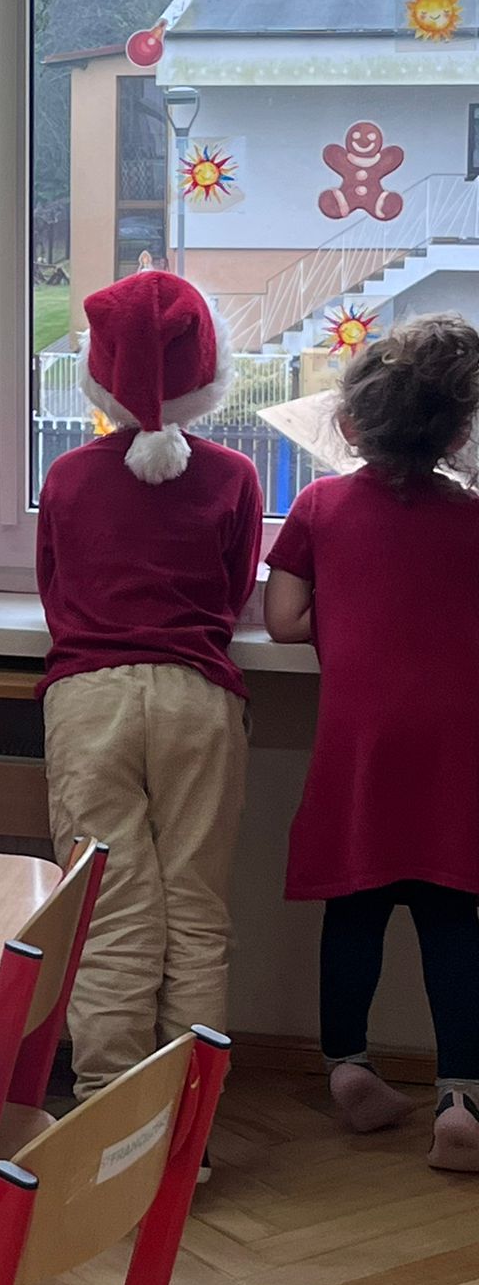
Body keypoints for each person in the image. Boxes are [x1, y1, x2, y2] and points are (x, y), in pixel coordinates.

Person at [37, 270, 261, 1101]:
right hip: (198, 700)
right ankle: (187, 1130)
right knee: (197, 916)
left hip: (89, 700)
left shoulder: (65, 478)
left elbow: (56, 594)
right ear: (211, 370)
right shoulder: (236, 477)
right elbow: (231, 595)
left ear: (100, 372)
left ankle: (109, 1119)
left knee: (109, 917)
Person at [265, 314, 479, 1172]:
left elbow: (283, 622)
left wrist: (350, 610)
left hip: (360, 749)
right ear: (458, 433)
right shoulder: (474, 519)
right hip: (455, 754)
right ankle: (461, 1098)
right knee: (453, 920)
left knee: (352, 907)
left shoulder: (319, 507)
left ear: (351, 424)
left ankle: (349, 1065)